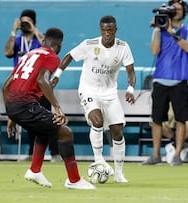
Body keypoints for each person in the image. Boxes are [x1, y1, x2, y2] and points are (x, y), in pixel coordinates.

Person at [2, 27, 95, 189]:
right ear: (59, 46)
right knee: (65, 133)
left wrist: (10, 115)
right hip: (25, 104)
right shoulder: (52, 57)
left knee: (45, 130)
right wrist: (57, 107)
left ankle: (35, 170)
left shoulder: (29, 54)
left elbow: (6, 86)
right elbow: (42, 80)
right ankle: (74, 180)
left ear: (43, 41)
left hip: (13, 104)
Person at [52, 15, 136, 183]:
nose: (107, 33)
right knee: (97, 121)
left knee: (117, 131)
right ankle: (99, 160)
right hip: (89, 90)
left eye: (110, 30)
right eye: (104, 30)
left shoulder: (123, 47)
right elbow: (69, 55)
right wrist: (57, 75)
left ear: (115, 30)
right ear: (100, 30)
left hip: (110, 93)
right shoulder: (89, 45)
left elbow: (130, 71)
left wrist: (130, 88)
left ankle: (119, 173)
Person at [3, 9, 60, 161]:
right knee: (30, 123)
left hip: (39, 88)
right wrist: (14, 31)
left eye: (27, 21)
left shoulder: (38, 40)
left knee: (49, 119)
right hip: (22, 85)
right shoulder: (17, 39)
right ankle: (31, 153)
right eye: (22, 21)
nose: (24, 24)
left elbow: (50, 45)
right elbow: (7, 52)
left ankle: (54, 153)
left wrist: (34, 29)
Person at [149, 0, 188, 166]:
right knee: (156, 119)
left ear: (184, 11)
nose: (176, 11)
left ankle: (177, 155)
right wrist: (157, 28)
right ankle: (156, 155)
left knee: (181, 119)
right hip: (160, 78)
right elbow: (154, 50)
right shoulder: (160, 31)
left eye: (179, 8)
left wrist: (171, 31)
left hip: (179, 80)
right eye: (173, 8)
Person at [141, 57, 188, 165]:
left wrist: (177, 78)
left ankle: (174, 146)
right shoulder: (174, 65)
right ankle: (176, 143)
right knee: (156, 122)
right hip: (174, 100)